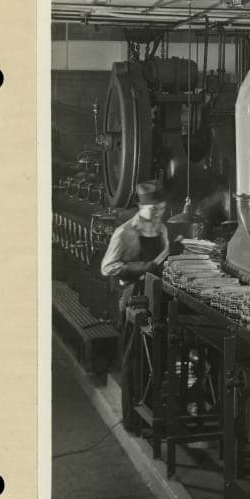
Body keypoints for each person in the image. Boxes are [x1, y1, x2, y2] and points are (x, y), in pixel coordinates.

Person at [100, 180, 173, 432]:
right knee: (134, 361)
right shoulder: (124, 232)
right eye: (153, 209)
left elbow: (163, 257)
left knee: (155, 360)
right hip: (133, 298)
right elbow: (107, 267)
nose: (158, 214)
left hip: (157, 298)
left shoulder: (162, 229)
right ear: (141, 207)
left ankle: (151, 413)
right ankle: (133, 422)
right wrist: (142, 267)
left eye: (161, 208)